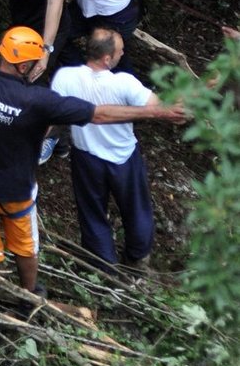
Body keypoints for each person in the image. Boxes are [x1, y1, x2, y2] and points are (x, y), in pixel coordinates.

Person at [0, 26, 187, 304]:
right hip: (15, 192)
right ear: (25, 64)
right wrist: (158, 111)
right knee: (25, 245)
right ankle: (29, 295)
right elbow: (98, 115)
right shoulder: (37, 100)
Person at [51, 29, 162, 269]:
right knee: (136, 208)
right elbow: (156, 107)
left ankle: (103, 264)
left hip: (86, 155)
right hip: (123, 157)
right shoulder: (123, 82)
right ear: (107, 59)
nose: (123, 53)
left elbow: (53, 112)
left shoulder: (65, 77)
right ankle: (137, 257)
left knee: (92, 211)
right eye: (120, 50)